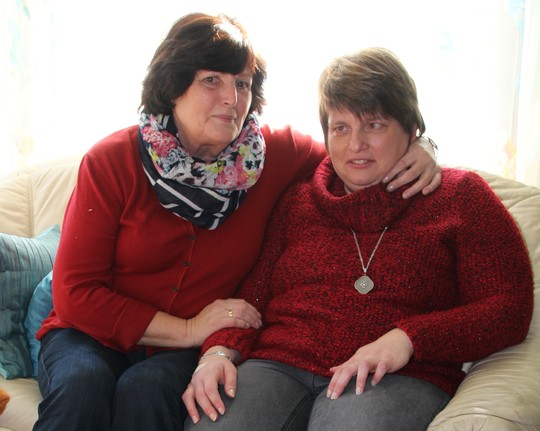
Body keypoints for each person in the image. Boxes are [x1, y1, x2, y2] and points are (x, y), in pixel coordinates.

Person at [32, 13, 441, 431]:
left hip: (184, 352)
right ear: (173, 85)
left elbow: (356, 154)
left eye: (242, 84)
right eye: (212, 80)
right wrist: (189, 329)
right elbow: (75, 293)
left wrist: (422, 145)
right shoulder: (112, 161)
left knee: (147, 389)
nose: (232, 98)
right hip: (91, 334)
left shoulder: (271, 155)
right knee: (83, 387)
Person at [182, 47, 534, 431]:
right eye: (341, 128)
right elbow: (252, 298)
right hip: (278, 366)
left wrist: (409, 338)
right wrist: (217, 353)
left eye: (375, 125)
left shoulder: (461, 196)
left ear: (411, 130)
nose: (355, 144)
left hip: (397, 376)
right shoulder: (299, 201)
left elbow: (509, 308)